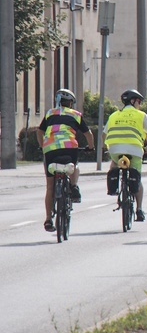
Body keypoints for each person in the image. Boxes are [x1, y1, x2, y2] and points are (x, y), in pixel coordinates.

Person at [37, 89, 95, 232]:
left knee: (50, 187)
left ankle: (48, 219)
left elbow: (39, 131)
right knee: (73, 166)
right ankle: (74, 186)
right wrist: (90, 147)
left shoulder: (50, 113)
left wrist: (42, 146)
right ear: (70, 103)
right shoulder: (76, 115)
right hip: (69, 147)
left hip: (50, 149)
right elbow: (88, 134)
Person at [102, 89, 147, 222]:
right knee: (136, 176)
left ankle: (115, 185)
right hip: (134, 149)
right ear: (133, 101)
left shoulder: (114, 115)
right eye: (139, 102)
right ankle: (139, 209)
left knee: (114, 164)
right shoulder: (141, 115)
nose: (140, 105)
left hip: (115, 149)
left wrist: (104, 146)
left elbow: (104, 134)